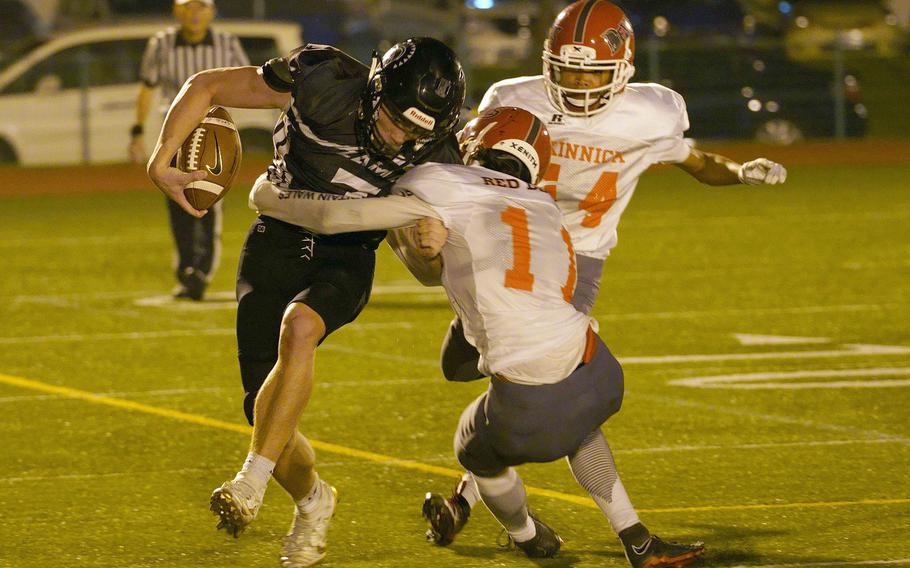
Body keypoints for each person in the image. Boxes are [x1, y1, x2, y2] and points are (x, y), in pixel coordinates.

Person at [249, 106, 706, 565]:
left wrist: (270, 198)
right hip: (600, 369)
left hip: (528, 400)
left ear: (476, 144)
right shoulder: (544, 205)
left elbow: (337, 219)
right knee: (577, 422)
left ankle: (528, 535)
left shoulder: (438, 181)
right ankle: (637, 537)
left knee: (474, 449)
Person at [424, 2, 786, 565]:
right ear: (548, 64)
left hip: (575, 259)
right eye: (567, 72)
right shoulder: (513, 98)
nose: (578, 85)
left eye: (592, 73)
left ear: (622, 68)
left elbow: (694, 161)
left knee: (548, 385)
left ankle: (523, 505)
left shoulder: (649, 114)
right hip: (502, 250)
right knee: (468, 366)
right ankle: (481, 482)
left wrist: (739, 173)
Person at [146, 36, 465, 567]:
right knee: (263, 411)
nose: (399, 137)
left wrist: (430, 251)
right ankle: (314, 502)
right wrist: (161, 160)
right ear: (376, 89)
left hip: (347, 256)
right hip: (275, 240)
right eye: (394, 118)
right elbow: (207, 87)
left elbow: (427, 271)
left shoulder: (438, 151)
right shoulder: (322, 81)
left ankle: (250, 482)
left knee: (300, 326)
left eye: (415, 130)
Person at [131, 0, 249, 300]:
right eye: (188, 7)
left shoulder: (226, 43)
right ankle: (186, 270)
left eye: (201, 7)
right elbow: (147, 87)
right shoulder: (162, 44)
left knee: (207, 200)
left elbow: (248, 82)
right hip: (172, 135)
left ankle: (200, 272)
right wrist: (137, 130)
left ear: (212, 11)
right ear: (176, 10)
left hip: (212, 134)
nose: (194, 13)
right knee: (176, 202)